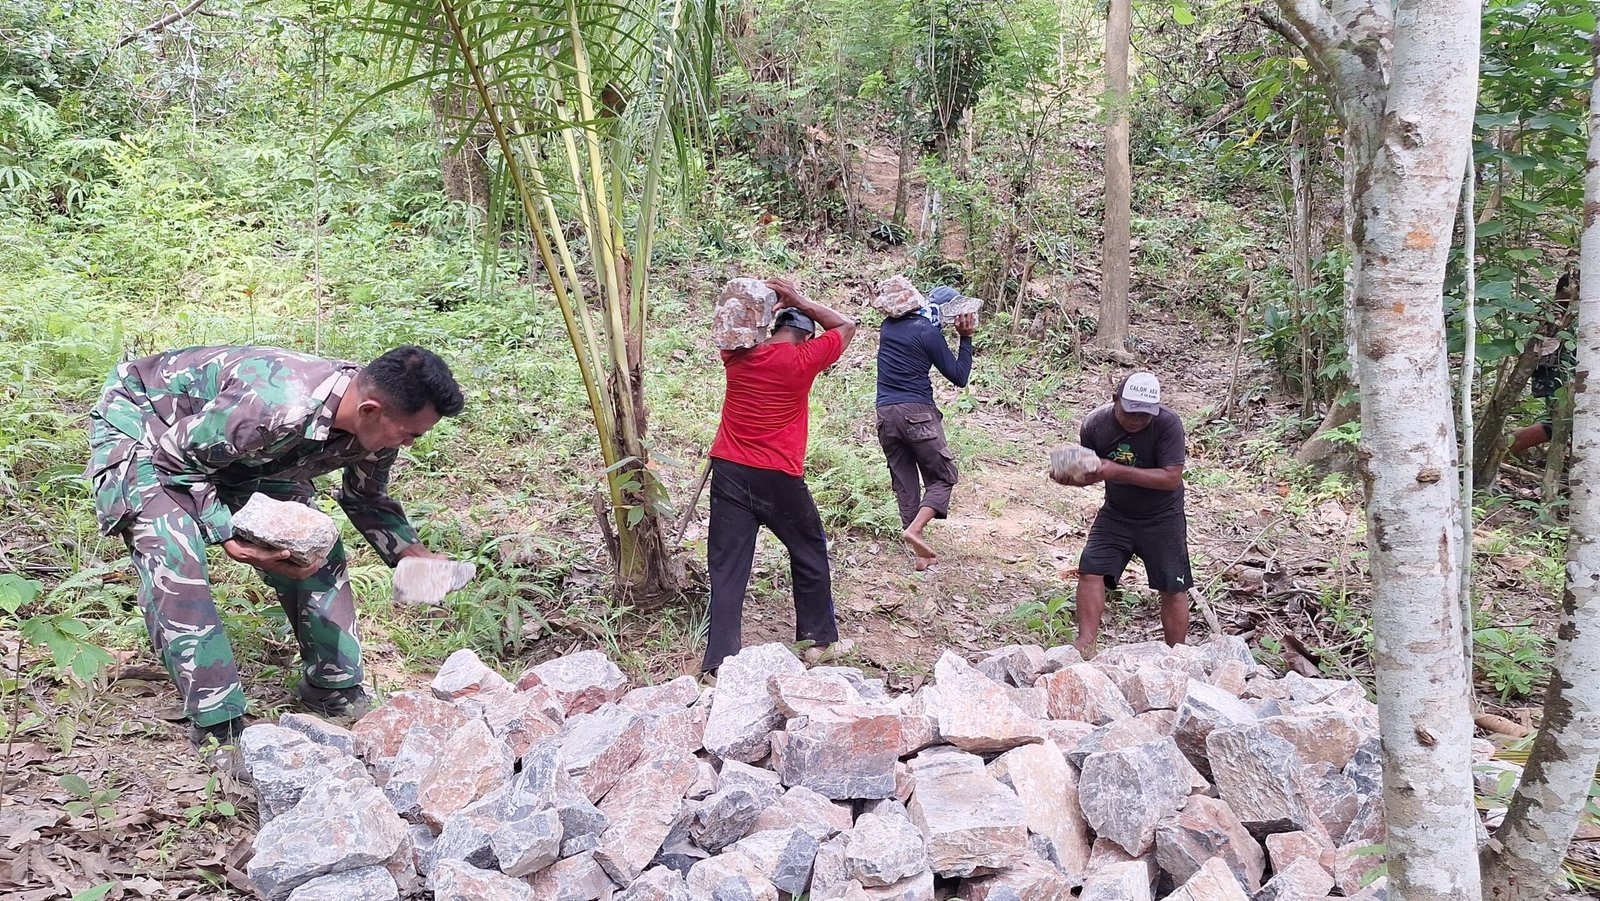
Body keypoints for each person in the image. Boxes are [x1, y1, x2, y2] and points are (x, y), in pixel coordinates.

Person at [85, 345, 464, 762]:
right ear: (370, 410)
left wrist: (414, 557)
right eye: (409, 434)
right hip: (150, 428)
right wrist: (230, 537)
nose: (410, 444)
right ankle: (218, 723)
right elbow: (175, 459)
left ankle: (332, 686)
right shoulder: (276, 406)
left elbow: (366, 498)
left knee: (311, 542)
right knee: (175, 553)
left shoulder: (375, 426)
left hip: (235, 449)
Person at [703, 278, 856, 672]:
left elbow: (735, 328)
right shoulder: (802, 361)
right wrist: (801, 298)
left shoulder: (736, 356)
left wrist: (768, 306)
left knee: (727, 567)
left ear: (771, 328)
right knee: (808, 552)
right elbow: (846, 326)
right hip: (779, 478)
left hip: (730, 473)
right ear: (807, 338)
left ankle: (718, 662)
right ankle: (818, 642)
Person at [1053, 372, 1191, 656]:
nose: (1138, 419)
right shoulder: (1095, 424)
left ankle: (1177, 653)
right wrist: (1070, 474)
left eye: (1145, 414)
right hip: (1117, 512)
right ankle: (1085, 642)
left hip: (1163, 516)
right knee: (1091, 568)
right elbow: (1091, 469)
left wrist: (1114, 470)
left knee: (1173, 585)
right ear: (1115, 399)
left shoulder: (1168, 425)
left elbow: (1170, 478)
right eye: (1131, 412)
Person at [875, 285, 977, 570]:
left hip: (885, 415)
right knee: (943, 478)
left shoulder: (888, 327)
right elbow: (959, 376)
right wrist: (965, 339)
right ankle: (916, 529)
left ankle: (920, 554)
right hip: (917, 413)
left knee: (905, 482)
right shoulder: (927, 332)